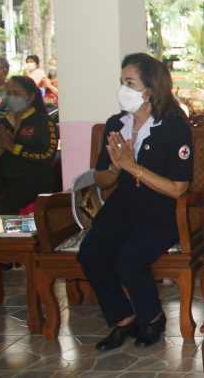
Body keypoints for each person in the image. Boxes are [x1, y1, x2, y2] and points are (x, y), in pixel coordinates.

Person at [77, 53, 193, 350]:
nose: (123, 89)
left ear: (149, 89)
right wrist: (117, 168)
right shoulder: (116, 124)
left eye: (130, 83)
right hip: (123, 206)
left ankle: (152, 318)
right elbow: (102, 180)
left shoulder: (173, 126)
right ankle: (123, 319)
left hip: (161, 211)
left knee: (128, 259)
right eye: (122, 82)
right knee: (91, 252)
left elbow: (178, 188)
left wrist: (132, 166)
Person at [0, 75, 58, 213]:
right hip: (5, 176)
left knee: (3, 204)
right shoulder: (3, 122)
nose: (12, 97)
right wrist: (1, 147)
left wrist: (13, 147)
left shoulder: (43, 122)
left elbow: (47, 156)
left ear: (31, 97)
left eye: (17, 94)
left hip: (33, 178)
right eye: (9, 93)